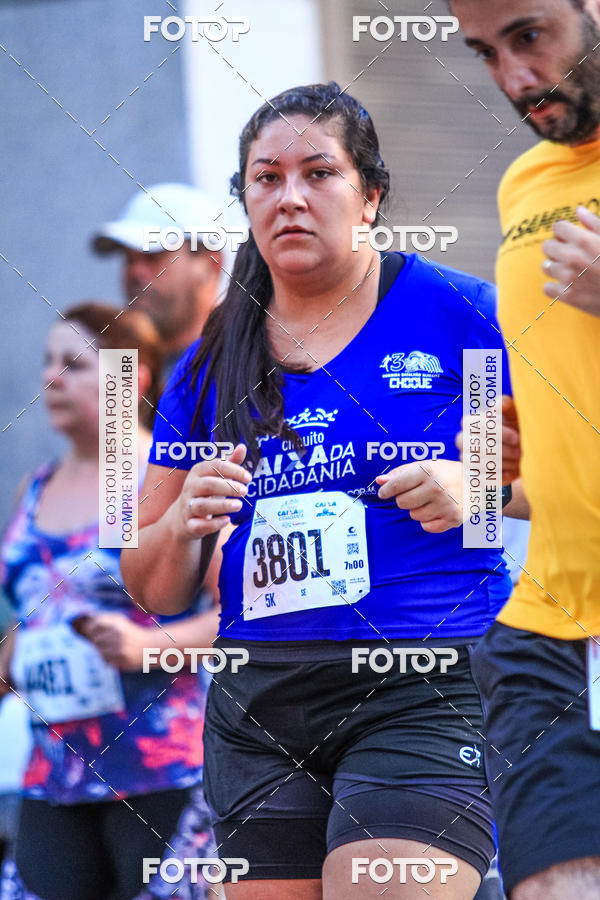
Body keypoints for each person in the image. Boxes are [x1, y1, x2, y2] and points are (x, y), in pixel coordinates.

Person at [122, 82, 519, 899]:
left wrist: (478, 482)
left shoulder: (463, 314)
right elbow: (150, 587)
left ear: (369, 196)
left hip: (424, 680)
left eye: (319, 173)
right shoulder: (208, 363)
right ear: (246, 201)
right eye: (266, 179)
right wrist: (183, 523)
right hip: (260, 703)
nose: (291, 197)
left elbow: (571, 479)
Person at [450, 1, 600, 897]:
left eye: (530, 36)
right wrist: (507, 468)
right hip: (548, 626)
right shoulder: (523, 184)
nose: (514, 79)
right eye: (485, 52)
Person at [0, 303, 219, 900]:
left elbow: (241, 614)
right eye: (47, 362)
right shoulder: (33, 487)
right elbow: (30, 616)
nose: (50, 378)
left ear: (131, 377)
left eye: (73, 364)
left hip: (158, 768)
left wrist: (147, 646)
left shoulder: (168, 477)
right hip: (50, 774)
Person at [92, 183, 224, 374]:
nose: (135, 272)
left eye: (153, 256)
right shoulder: (119, 365)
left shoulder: (246, 367)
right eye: (128, 258)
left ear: (211, 264)